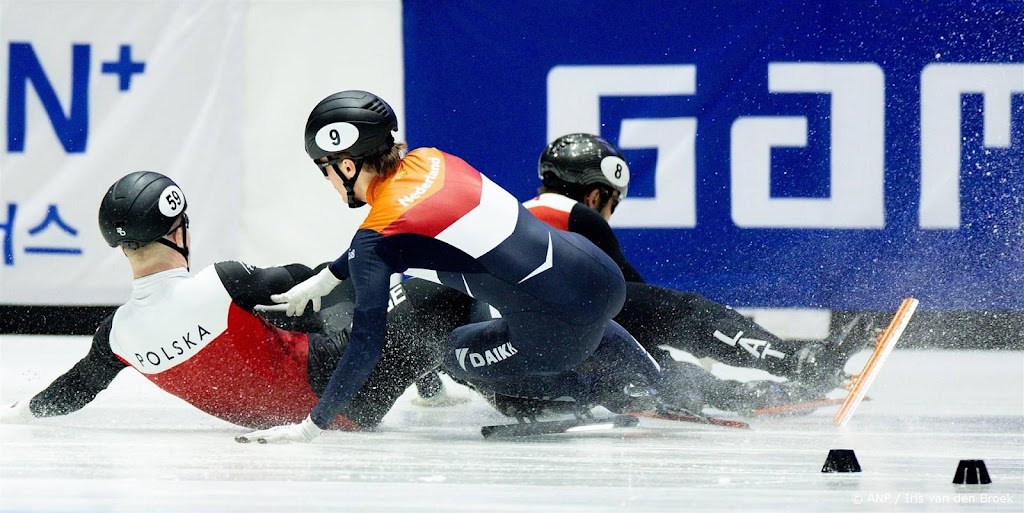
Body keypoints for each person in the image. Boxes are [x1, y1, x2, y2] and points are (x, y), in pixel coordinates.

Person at [239, 90, 672, 443]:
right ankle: (657, 378)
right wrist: (329, 276)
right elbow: (407, 228)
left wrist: (311, 426)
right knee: (566, 298)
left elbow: (366, 346)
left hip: (560, 328)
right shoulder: (432, 159)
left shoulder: (375, 238)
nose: (330, 184)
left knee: (450, 352)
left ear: (347, 165)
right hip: (601, 277)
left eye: (326, 172)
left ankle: (602, 393)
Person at [418, 133, 877, 415]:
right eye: (613, 202)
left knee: (633, 351)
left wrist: (433, 386)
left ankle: (693, 390)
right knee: (677, 312)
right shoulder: (570, 215)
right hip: (550, 340)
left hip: (500, 369)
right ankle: (793, 365)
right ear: (596, 195)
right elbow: (643, 304)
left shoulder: (510, 220)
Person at [0, 171, 468, 431]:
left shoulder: (116, 336)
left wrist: (18, 414)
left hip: (312, 417)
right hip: (343, 396)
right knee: (431, 293)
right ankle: (501, 394)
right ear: (177, 230)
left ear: (122, 246)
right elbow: (332, 287)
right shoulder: (223, 282)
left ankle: (430, 382)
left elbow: (71, 393)